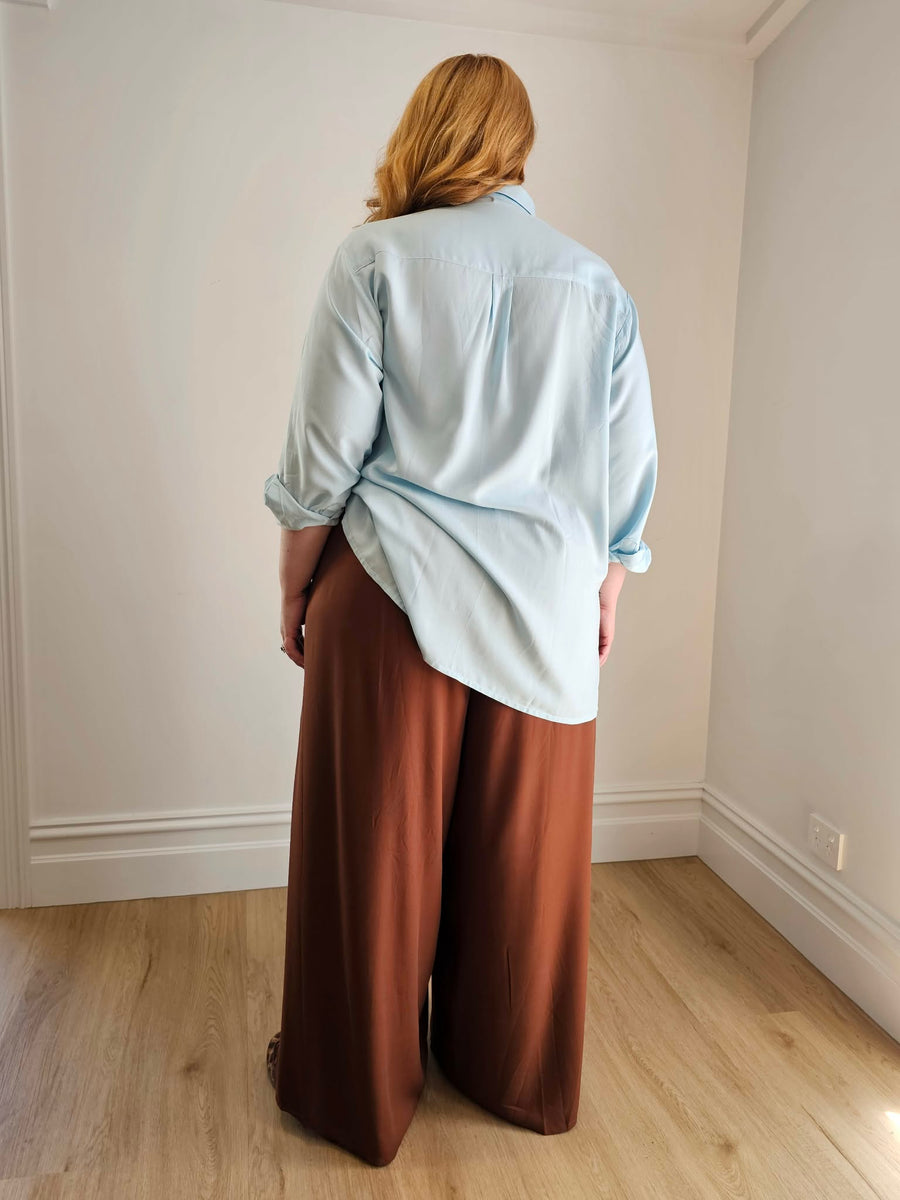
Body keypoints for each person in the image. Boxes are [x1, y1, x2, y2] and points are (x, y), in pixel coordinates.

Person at [262, 52, 658, 1168]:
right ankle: (509, 1075)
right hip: (547, 606)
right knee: (524, 873)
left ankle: (357, 1094)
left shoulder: (375, 257)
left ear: (424, 130)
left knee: (374, 863)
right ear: (519, 144)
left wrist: (294, 587)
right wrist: (611, 583)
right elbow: (628, 473)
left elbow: (322, 458)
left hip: (391, 594)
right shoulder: (597, 283)